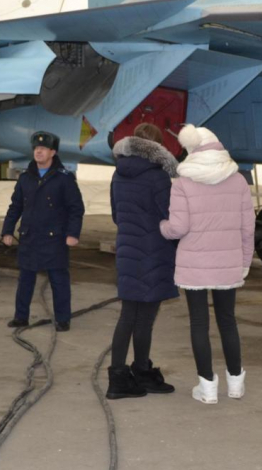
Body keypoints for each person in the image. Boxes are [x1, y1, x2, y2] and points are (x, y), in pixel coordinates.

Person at [160, 125, 253, 405]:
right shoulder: (238, 181)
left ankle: (207, 387)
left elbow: (178, 227)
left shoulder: (182, 183)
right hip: (228, 262)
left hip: (195, 262)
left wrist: (162, 227)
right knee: (228, 321)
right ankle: (235, 383)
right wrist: (244, 263)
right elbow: (247, 229)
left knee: (199, 323)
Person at [106, 123, 179, 400]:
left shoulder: (119, 173)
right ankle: (142, 372)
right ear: (158, 148)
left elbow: (116, 214)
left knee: (128, 315)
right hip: (154, 252)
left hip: (127, 249)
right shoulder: (158, 177)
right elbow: (171, 219)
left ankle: (117, 377)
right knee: (145, 319)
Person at [2, 131, 85, 332]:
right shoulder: (25, 178)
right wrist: (7, 231)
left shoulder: (64, 179)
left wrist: (73, 234)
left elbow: (76, 208)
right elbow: (15, 206)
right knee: (25, 280)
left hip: (54, 238)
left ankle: (63, 319)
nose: (38, 152)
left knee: (58, 280)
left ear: (53, 152)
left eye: (43, 149)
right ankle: (21, 317)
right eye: (36, 148)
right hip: (30, 236)